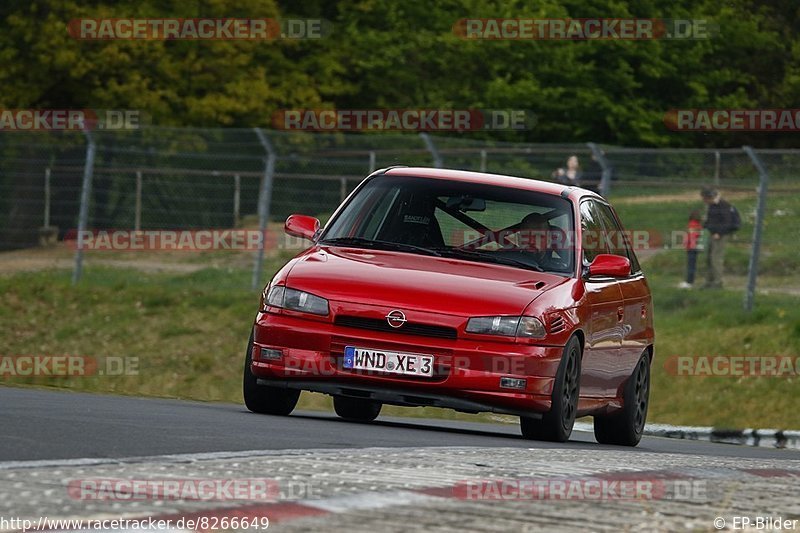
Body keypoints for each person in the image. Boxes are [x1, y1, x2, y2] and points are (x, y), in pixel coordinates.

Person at [700, 186, 739, 289]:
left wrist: (719, 233)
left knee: (716, 258)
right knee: (709, 258)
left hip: (720, 235)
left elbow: (727, 222)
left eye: (704, 198)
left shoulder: (723, 205)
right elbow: (712, 219)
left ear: (708, 197)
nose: (703, 201)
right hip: (712, 233)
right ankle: (708, 281)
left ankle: (718, 282)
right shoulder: (711, 206)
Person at [678, 210, 703, 289]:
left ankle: (689, 282)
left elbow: (690, 236)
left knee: (690, 265)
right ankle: (691, 281)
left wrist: (685, 244)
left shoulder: (691, 224)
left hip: (691, 247)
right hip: (696, 247)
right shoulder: (699, 225)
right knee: (693, 265)